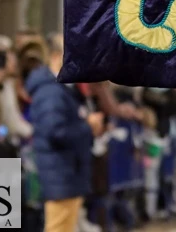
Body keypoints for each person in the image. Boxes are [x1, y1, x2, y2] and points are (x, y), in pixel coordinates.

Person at [26, 33, 102, 232]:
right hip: (60, 172)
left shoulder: (62, 88)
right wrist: (88, 126)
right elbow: (55, 130)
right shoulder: (50, 91)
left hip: (68, 172)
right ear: (56, 55)